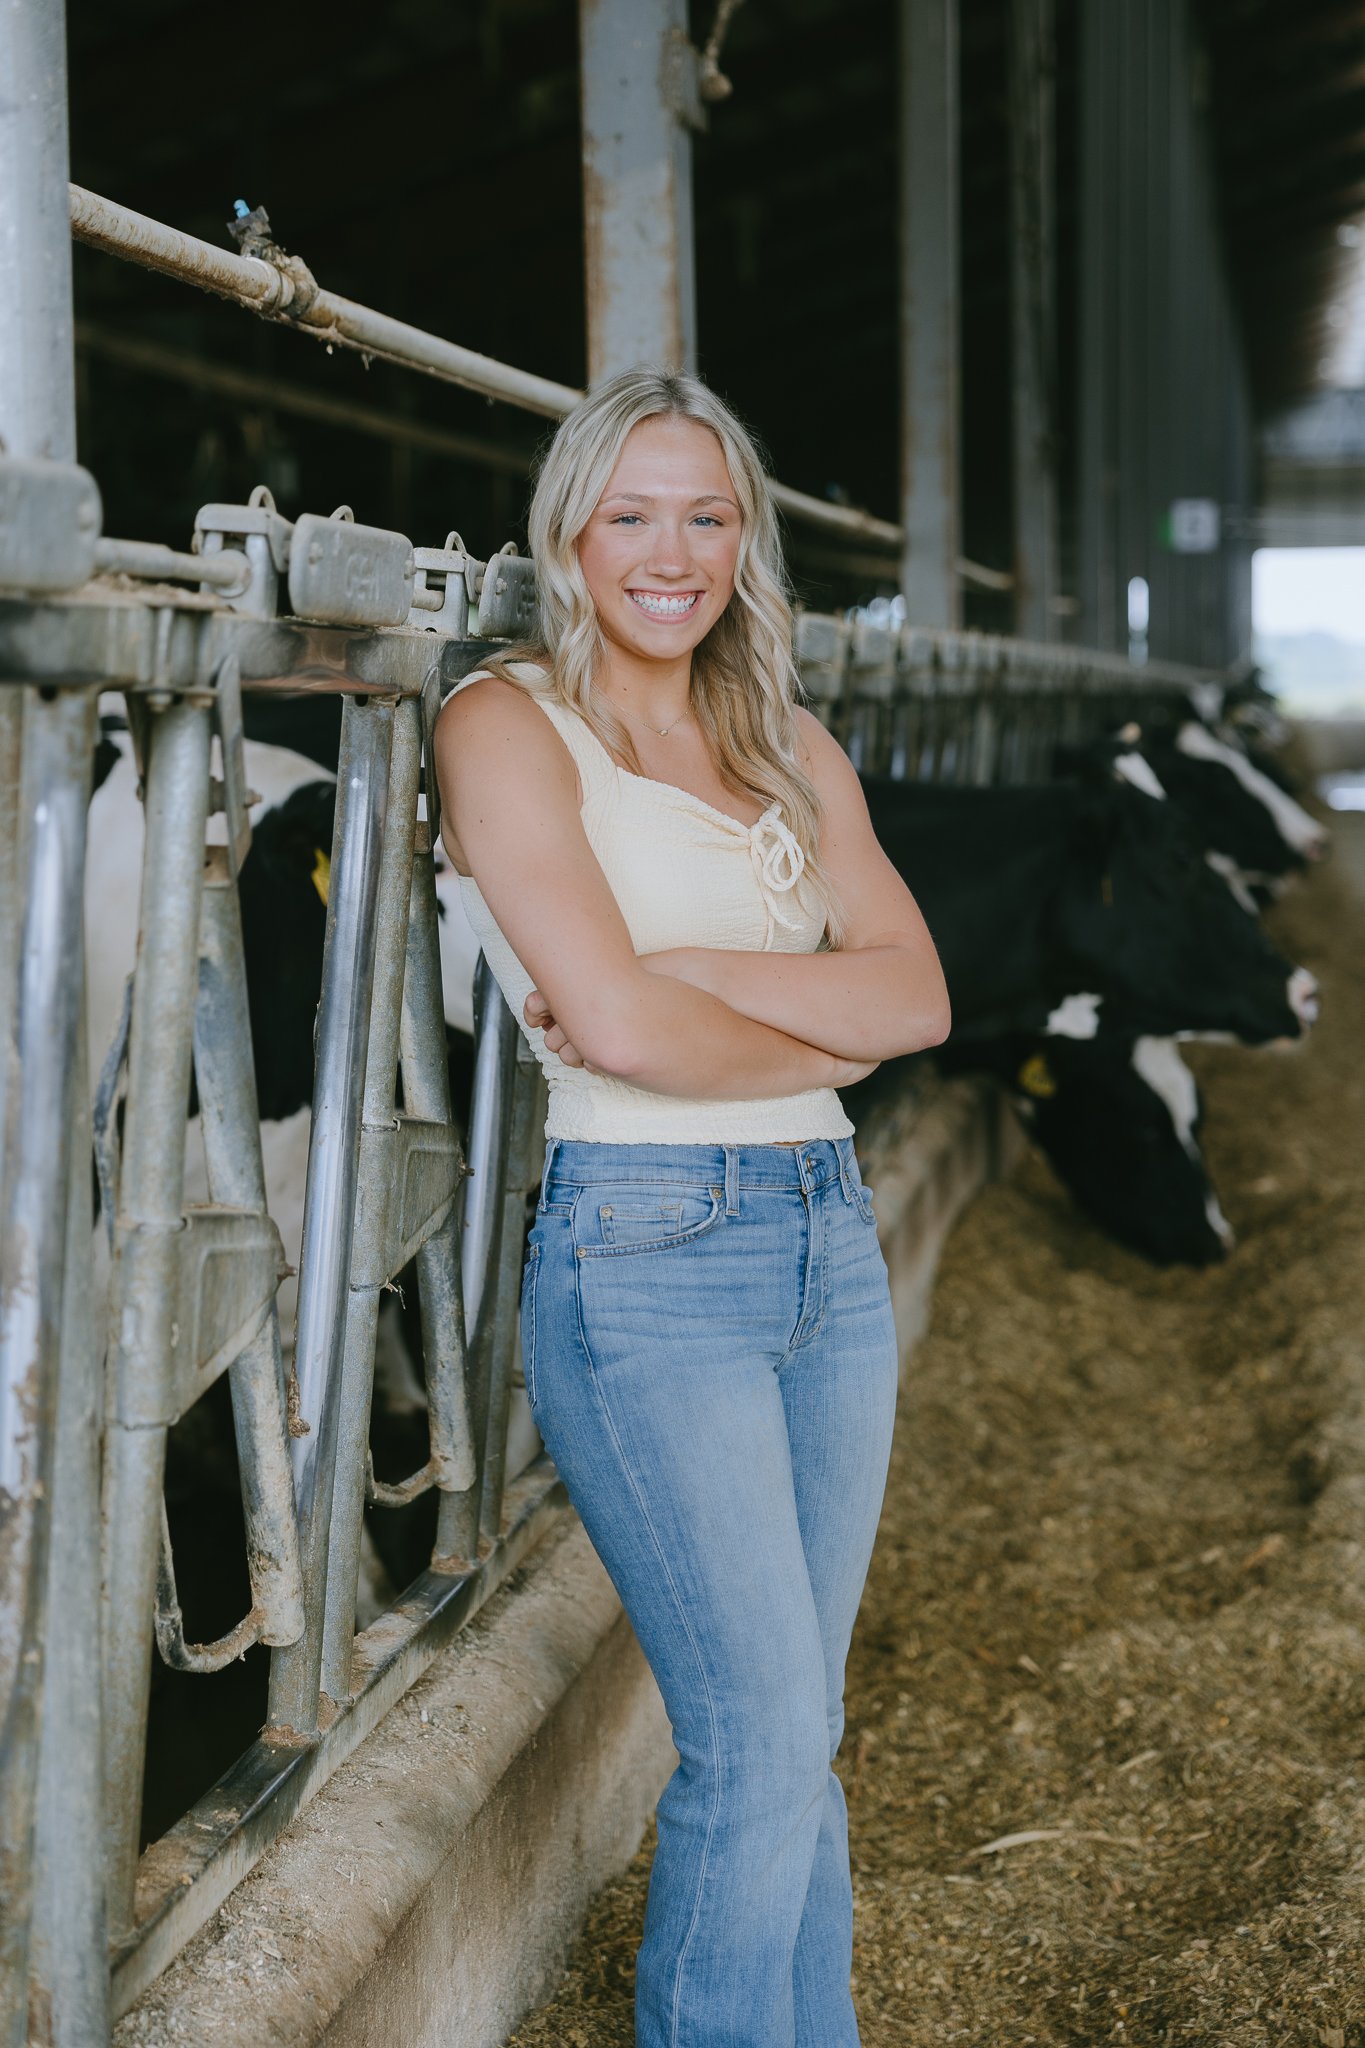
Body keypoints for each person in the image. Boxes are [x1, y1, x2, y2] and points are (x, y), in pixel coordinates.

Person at [433, 365, 950, 2048]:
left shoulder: (781, 740)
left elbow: (918, 1006)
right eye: (633, 512)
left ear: (746, 540)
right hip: (645, 1251)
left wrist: (687, 975)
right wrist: (808, 1016)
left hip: (823, 1238)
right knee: (753, 1732)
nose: (672, 551)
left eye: (707, 515)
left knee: (799, 1732)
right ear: (571, 531)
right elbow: (633, 1041)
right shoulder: (507, 722)